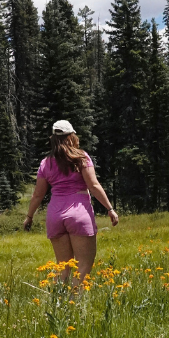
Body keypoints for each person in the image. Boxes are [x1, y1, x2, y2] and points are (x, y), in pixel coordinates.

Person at [23, 119, 118, 286]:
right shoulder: (81, 157)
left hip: (55, 216)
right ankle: (76, 304)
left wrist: (29, 217)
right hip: (79, 214)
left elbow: (37, 195)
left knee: (63, 268)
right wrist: (110, 209)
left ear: (53, 138)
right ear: (72, 136)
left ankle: (58, 305)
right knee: (83, 267)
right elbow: (94, 186)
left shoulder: (45, 163)